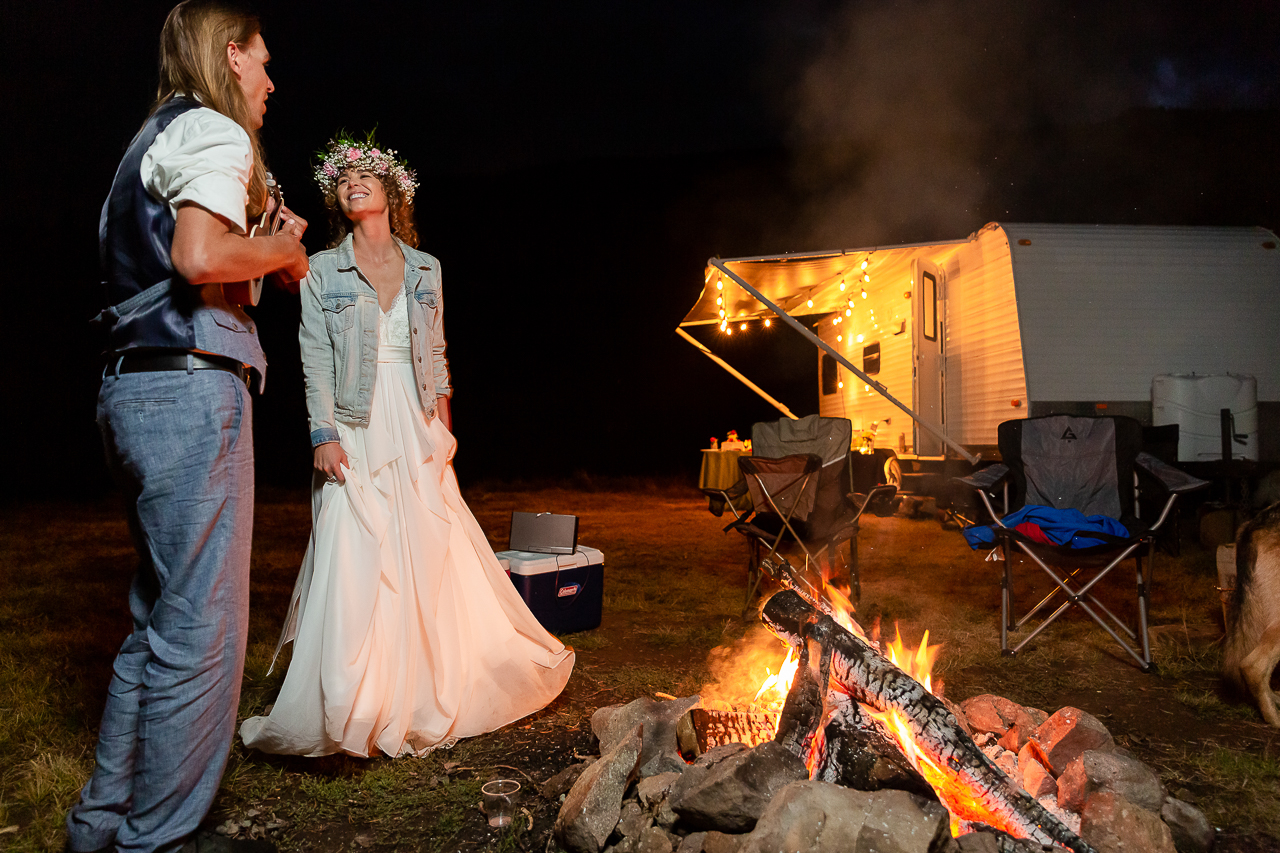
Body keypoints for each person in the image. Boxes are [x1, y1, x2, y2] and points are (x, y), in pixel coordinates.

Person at [239, 134, 574, 758]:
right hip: (355, 425)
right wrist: (324, 435)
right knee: (356, 551)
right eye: (342, 179)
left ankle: (431, 685)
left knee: (429, 549)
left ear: (393, 191)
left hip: (416, 423)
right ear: (339, 200)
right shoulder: (321, 272)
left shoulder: (427, 269)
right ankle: (354, 703)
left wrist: (444, 431)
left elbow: (438, 358)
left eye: (365, 173)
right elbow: (313, 361)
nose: (352, 182)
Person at [66, 2, 308, 851]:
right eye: (264, 63)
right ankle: (162, 839)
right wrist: (281, 252)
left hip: (133, 392)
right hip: (189, 396)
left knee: (157, 623)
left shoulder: (150, 139)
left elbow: (180, 264)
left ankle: (100, 827)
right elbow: (200, 257)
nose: (271, 83)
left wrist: (261, 254)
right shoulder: (214, 129)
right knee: (204, 635)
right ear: (230, 55)